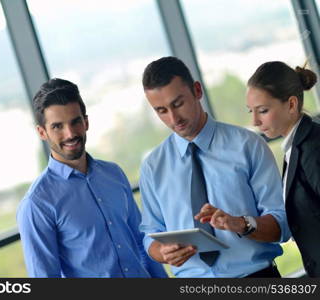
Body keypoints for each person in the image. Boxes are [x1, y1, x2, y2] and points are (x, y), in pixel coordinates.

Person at [139, 56, 291, 278]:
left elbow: (282, 224)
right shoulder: (153, 167)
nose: (173, 118)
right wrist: (163, 252)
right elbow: (150, 234)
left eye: (178, 104)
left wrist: (240, 224)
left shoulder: (247, 145)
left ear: (197, 91)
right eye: (161, 110)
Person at [16, 78, 167, 278]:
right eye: (57, 127)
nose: (70, 134)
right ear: (42, 132)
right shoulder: (37, 204)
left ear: (86, 122)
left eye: (75, 121)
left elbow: (142, 242)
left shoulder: (114, 174)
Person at [247, 61, 319, 277]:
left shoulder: (314, 147)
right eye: (251, 111)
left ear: (291, 104)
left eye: (263, 111)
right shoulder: (296, 146)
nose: (255, 121)